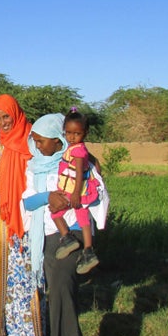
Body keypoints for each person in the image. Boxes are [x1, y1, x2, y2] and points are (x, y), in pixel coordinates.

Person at [23, 113, 107, 336]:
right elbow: (27, 202)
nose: (36, 146)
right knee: (57, 297)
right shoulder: (34, 166)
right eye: (34, 140)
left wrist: (72, 201)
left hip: (73, 234)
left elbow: (94, 194)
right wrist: (47, 197)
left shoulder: (78, 161)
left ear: (58, 141)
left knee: (63, 295)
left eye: (41, 141)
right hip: (48, 236)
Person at [0, 94, 44, 336]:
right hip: (0, 219)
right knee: (4, 278)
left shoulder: (33, 142)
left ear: (16, 113)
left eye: (7, 116)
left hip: (25, 220)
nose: (4, 122)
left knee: (27, 278)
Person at [51, 108, 101, 274]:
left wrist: (75, 194)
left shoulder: (78, 151)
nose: (72, 137)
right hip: (77, 192)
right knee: (83, 220)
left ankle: (67, 237)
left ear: (85, 133)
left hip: (74, 192)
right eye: (68, 133)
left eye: (77, 133)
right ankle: (88, 250)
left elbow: (79, 172)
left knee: (55, 212)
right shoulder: (77, 148)